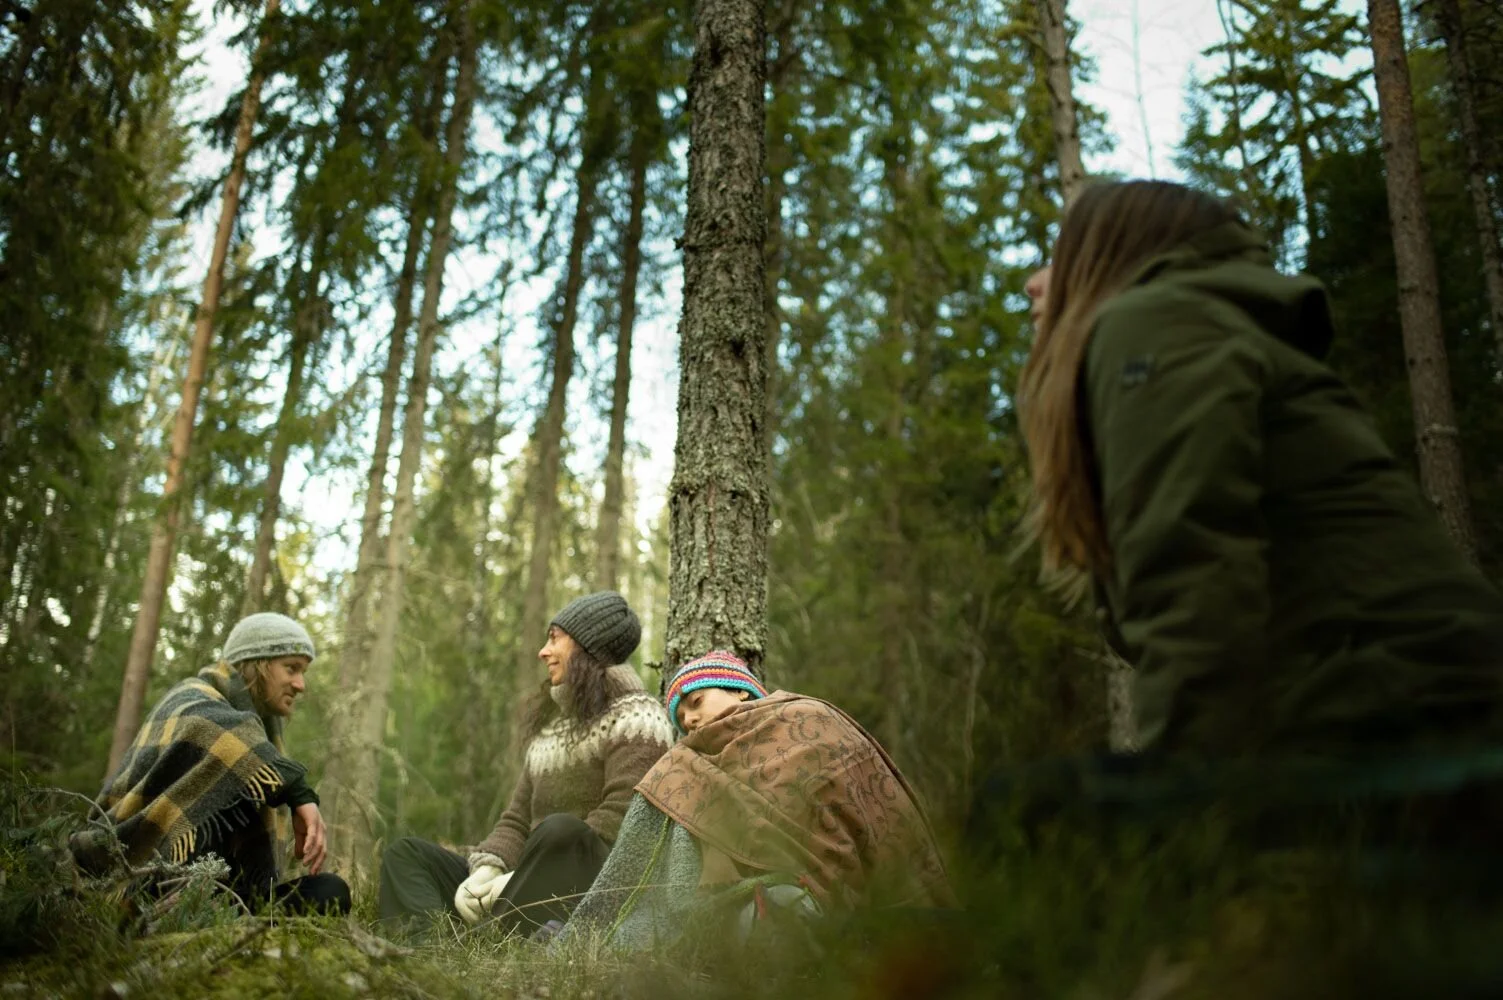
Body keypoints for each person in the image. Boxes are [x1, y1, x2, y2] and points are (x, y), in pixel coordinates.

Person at [1017, 179, 1503, 759]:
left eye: (1061, 255)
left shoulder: (1154, 325)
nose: (1034, 281)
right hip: (1400, 712)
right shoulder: (1194, 334)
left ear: (1105, 263)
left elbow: (1191, 577)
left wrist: (1201, 805)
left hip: (1423, 723)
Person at [559, 651, 955, 952]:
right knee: (778, 914)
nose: (690, 722)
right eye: (681, 719)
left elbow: (873, 801)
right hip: (766, 901)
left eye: (695, 703)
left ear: (737, 688)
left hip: (850, 890)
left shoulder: (808, 718)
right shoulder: (692, 767)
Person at [377, 591, 673, 938]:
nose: (543, 651)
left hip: (592, 887)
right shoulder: (551, 728)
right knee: (406, 854)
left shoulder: (638, 715)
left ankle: (492, 939)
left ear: (588, 646)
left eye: (554, 639)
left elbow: (624, 823)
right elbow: (516, 820)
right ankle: (430, 945)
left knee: (562, 831)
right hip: (521, 884)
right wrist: (488, 870)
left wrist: (519, 878)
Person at [70, 612, 350, 915]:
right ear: (257, 664)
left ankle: (225, 918)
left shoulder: (263, 738)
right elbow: (213, 729)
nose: (300, 685)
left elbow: (244, 745)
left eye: (303, 671)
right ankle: (160, 914)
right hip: (146, 873)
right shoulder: (192, 697)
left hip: (223, 893)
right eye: (291, 668)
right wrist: (298, 793)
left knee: (330, 891)